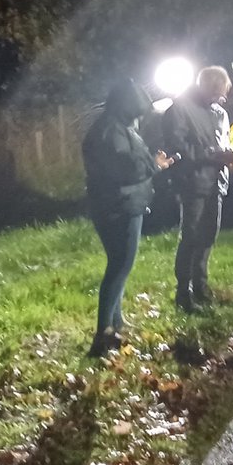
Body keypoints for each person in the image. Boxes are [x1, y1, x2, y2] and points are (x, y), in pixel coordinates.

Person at [82, 78, 173, 357]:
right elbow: (126, 169)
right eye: (137, 111)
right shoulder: (111, 132)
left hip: (119, 204)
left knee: (118, 265)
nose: (139, 117)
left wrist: (151, 162)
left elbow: (131, 162)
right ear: (127, 107)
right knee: (120, 266)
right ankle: (103, 334)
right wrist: (155, 165)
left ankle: (115, 324)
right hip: (119, 206)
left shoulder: (116, 127)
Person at [162, 65, 233, 313]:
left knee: (208, 236)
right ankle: (183, 292)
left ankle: (201, 286)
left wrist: (226, 154)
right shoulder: (180, 109)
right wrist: (212, 155)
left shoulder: (219, 112)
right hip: (193, 182)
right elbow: (178, 147)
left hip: (216, 181)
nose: (222, 97)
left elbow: (223, 140)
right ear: (207, 87)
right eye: (219, 92)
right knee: (191, 237)